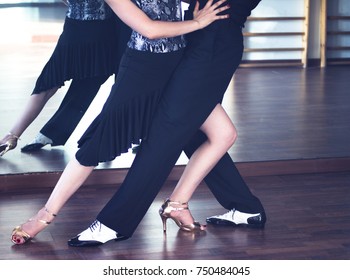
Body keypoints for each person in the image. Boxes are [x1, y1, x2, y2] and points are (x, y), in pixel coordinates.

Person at [10, 0, 230, 245]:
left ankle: (177, 204)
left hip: (181, 68)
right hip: (142, 71)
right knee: (96, 145)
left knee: (224, 134)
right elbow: (149, 29)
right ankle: (45, 214)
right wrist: (197, 22)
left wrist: (193, 17)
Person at [64, 0, 266, 247]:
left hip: (212, 47)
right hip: (198, 40)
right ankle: (244, 207)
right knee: (194, 133)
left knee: (166, 134)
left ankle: (114, 223)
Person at [0, 0, 130, 156]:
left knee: (50, 83)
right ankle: (104, 137)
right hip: (100, 31)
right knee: (100, 82)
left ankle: (12, 136)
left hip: (78, 28)